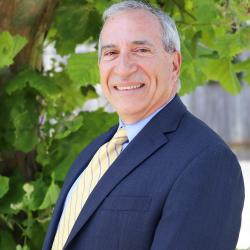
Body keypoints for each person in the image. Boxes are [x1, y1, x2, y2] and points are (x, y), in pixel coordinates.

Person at [43, 1, 244, 249]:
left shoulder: (207, 161)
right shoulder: (95, 152)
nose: (124, 68)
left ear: (174, 65)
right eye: (111, 53)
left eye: (140, 50)